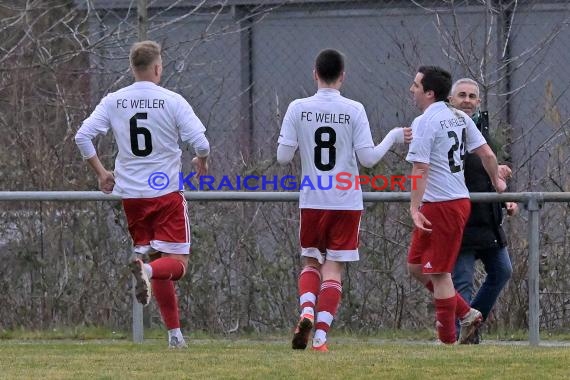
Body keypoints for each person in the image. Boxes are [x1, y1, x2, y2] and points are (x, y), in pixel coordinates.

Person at [74, 40, 210, 349]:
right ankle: (145, 270)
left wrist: (102, 174)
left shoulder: (114, 100)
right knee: (177, 263)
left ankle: (175, 336)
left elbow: (82, 137)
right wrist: (201, 160)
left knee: (159, 258)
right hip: (165, 194)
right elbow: (201, 143)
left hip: (132, 197)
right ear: (158, 68)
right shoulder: (172, 100)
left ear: (133, 68)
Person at [277, 48, 412, 352]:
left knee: (311, 261)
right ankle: (321, 337)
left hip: (313, 199)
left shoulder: (298, 108)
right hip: (345, 201)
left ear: (315, 74)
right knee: (334, 269)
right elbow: (367, 159)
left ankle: (307, 312)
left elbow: (283, 157)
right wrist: (392, 136)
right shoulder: (354, 109)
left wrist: (302, 142)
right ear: (343, 77)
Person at [405, 66, 507, 345]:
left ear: (429, 92)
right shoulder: (458, 117)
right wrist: (497, 180)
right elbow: (487, 153)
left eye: (415, 85)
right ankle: (466, 312)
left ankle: (447, 340)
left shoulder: (426, 122)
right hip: (447, 204)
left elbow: (421, 168)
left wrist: (414, 208)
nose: (412, 90)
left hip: (443, 205)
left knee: (439, 274)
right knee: (415, 266)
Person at [449, 78, 517, 344]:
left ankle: (471, 324)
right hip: (460, 220)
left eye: (472, 96)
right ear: (451, 100)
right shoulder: (445, 127)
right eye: (462, 95)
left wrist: (505, 199)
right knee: (462, 282)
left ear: (478, 101)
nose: (467, 100)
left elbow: (489, 173)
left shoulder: (483, 131)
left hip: (487, 222)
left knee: (502, 271)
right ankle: (460, 336)